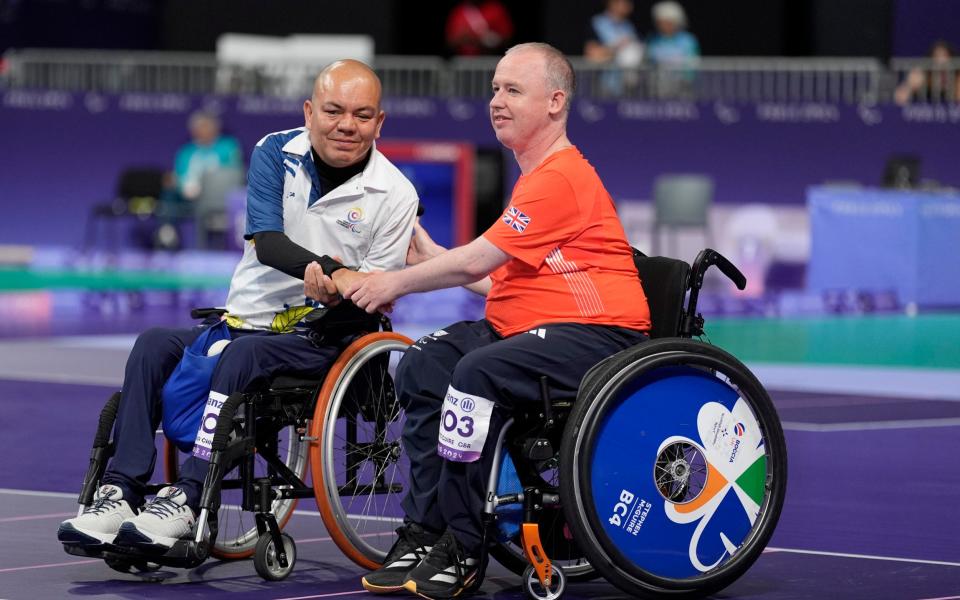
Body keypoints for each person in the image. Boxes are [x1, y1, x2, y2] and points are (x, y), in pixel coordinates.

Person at [57, 60, 419, 554]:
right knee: (153, 345)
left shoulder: (395, 193)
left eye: (361, 114)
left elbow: (380, 292)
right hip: (243, 322)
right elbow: (268, 243)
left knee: (241, 358)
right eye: (334, 111)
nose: (346, 125)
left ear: (380, 122)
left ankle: (185, 499)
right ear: (310, 112)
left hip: (323, 338)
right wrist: (333, 269)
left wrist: (341, 289)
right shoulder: (274, 151)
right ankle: (121, 489)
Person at [339, 43, 651, 599]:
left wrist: (394, 282)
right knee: (422, 364)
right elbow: (498, 281)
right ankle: (424, 530)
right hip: (537, 328)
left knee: (475, 375)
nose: (496, 101)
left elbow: (480, 260)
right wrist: (430, 255)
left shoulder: (562, 178)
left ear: (555, 102)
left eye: (512, 90)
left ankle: (463, 546)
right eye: (494, 89)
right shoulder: (535, 179)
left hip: (600, 336)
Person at [156, 110, 243, 249]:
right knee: (169, 192)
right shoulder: (186, 151)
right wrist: (181, 185)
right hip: (187, 194)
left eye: (206, 126)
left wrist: (204, 185)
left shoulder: (228, 146)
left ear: (215, 128)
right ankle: (167, 231)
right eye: (199, 127)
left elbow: (233, 174)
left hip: (216, 195)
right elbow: (179, 175)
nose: (201, 131)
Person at [584, 0, 644, 96]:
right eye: (623, 2)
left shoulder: (629, 26)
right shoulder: (597, 23)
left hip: (626, 88)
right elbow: (592, 53)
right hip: (601, 84)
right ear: (611, 3)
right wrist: (617, 49)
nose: (628, 5)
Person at [645, 1, 699, 97]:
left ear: (676, 22)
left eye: (667, 22)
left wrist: (687, 80)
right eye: (660, 22)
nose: (663, 25)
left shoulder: (688, 40)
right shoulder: (652, 40)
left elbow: (692, 64)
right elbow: (648, 62)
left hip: (682, 86)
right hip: (658, 87)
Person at [894, 40, 960, 105]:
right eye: (936, 57)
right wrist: (909, 86)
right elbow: (898, 101)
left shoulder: (957, 79)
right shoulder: (922, 78)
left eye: (945, 56)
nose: (940, 62)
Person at [444, 0, 514, 56]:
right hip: (464, 63)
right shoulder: (459, 11)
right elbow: (450, 41)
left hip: (490, 60)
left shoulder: (495, 9)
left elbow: (507, 38)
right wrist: (464, 39)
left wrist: (487, 40)